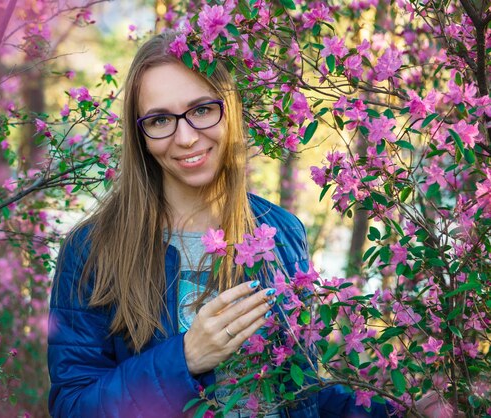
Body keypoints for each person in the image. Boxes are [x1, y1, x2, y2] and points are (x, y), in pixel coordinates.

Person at [48, 32, 392, 418]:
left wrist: (402, 411)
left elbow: (301, 392)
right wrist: (184, 358)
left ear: (229, 109)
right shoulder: (93, 247)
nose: (186, 137)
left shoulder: (281, 232)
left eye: (201, 110)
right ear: (140, 134)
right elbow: (73, 406)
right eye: (160, 119)